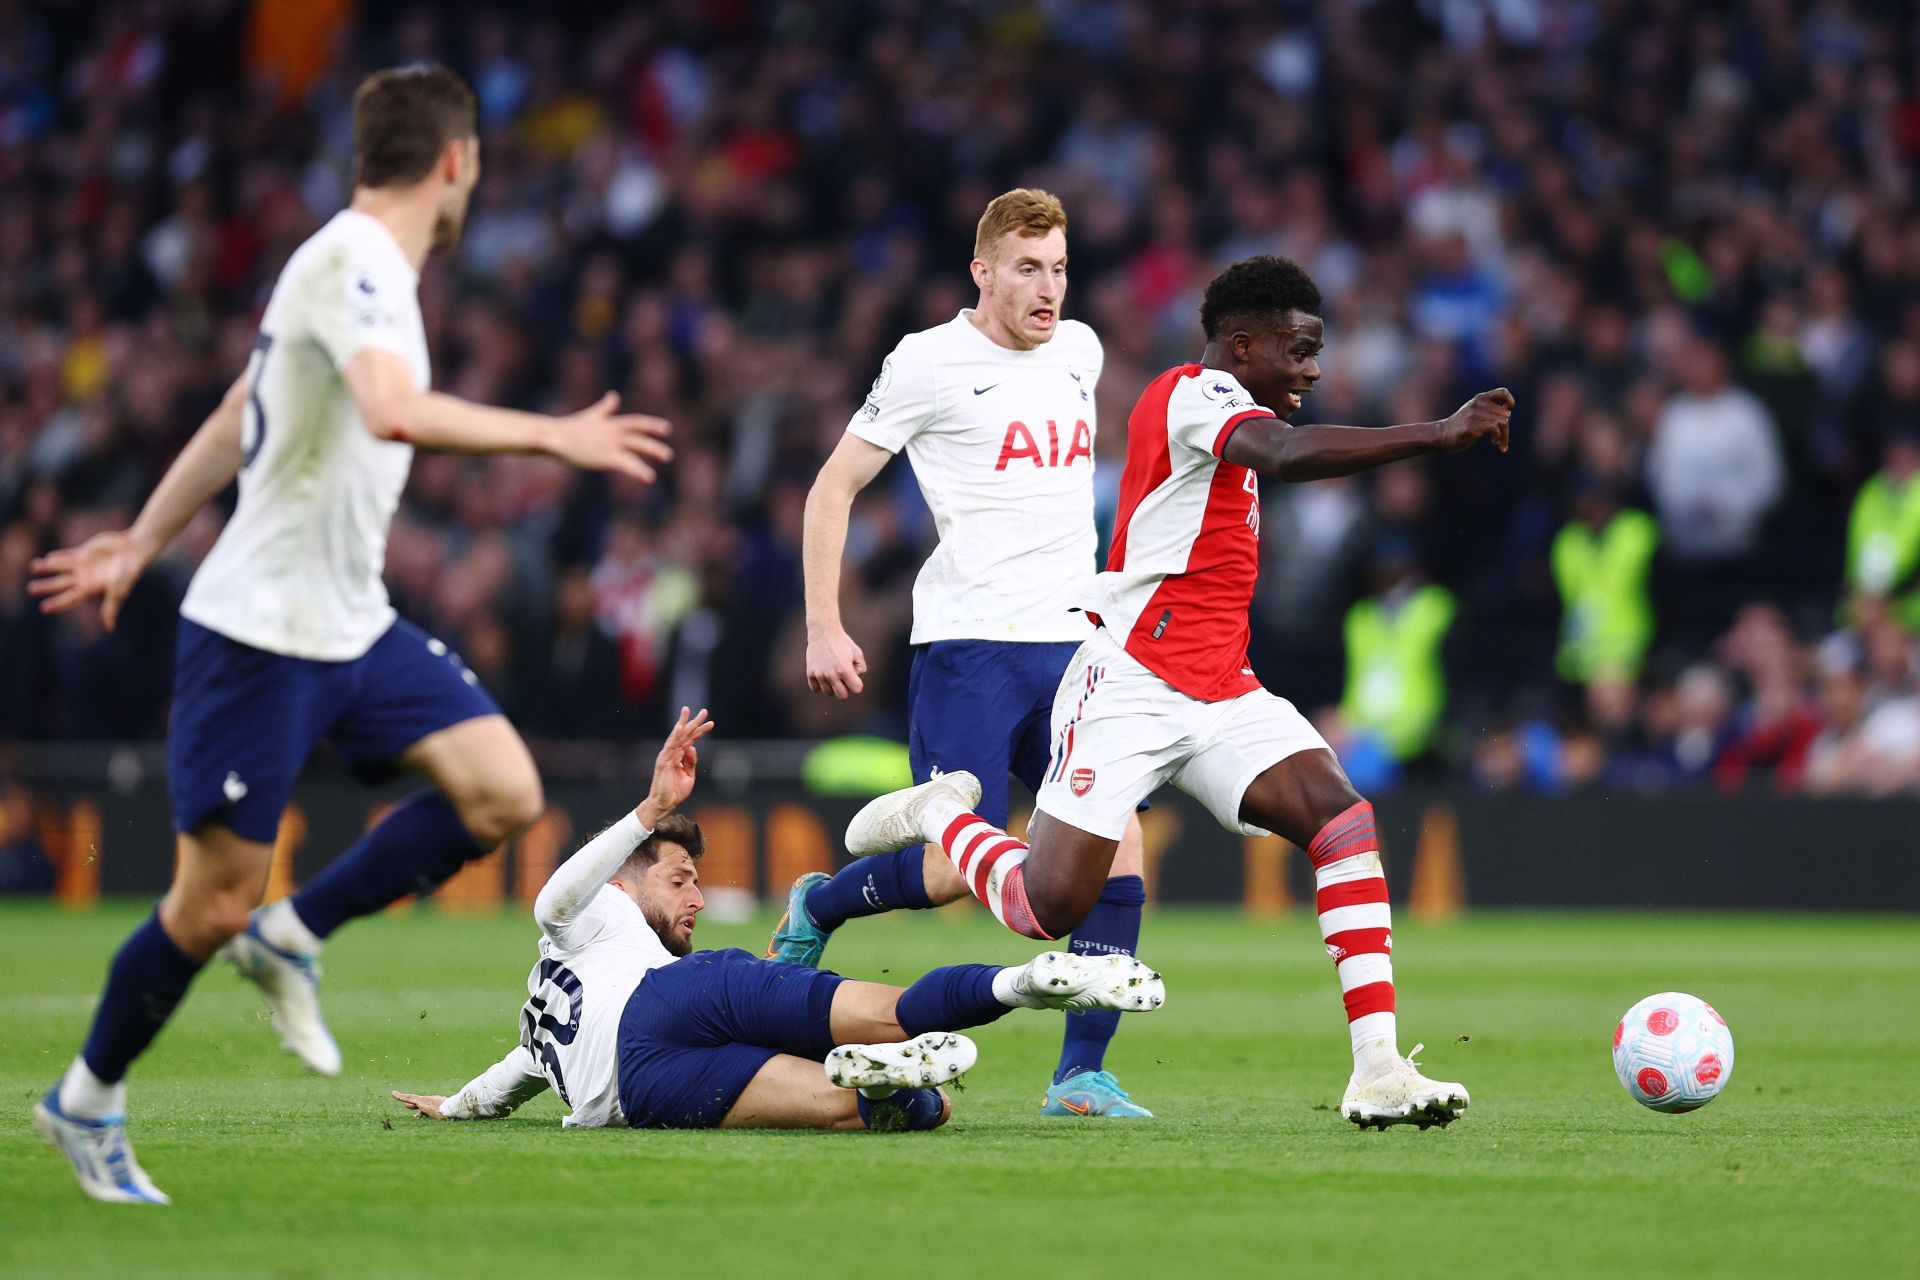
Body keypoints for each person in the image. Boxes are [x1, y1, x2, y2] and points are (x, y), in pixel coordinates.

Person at [29, 65, 673, 1205]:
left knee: (502, 788)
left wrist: (136, 537)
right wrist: (553, 437)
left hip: (349, 620)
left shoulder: (335, 266)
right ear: (458, 161)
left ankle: (294, 930)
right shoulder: (359, 262)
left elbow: (241, 411)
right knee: (203, 905)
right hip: (259, 633)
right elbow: (387, 408)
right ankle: (87, 1095)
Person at [843, 256, 1511, 1129]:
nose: (1312, 367)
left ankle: (1378, 1068)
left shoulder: (1232, 401)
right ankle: (942, 815)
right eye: (1299, 349)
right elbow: (1286, 454)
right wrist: (1436, 432)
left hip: (1223, 688)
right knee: (1045, 912)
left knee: (1341, 818)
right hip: (1127, 682)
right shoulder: (1195, 393)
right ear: (1244, 345)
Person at [774, 189, 1155, 1118]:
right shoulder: (927, 363)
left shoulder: (1081, 350)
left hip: (1074, 648)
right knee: (953, 877)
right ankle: (821, 907)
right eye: (1028, 268)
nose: (1049, 289)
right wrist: (825, 624)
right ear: (982, 271)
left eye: (1060, 268)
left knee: (1117, 841)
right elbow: (832, 490)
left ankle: (1081, 1076)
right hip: (970, 651)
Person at [393, 709, 1165, 1132]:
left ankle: (920, 1070)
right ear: (627, 883)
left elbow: (505, 1084)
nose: (696, 898)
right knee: (895, 1026)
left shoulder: (543, 1029)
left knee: (865, 1108)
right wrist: (648, 813)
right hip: (682, 1007)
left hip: (642, 1083)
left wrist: (454, 1107)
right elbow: (552, 898)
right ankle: (1020, 982)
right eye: (681, 879)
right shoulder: (592, 913)